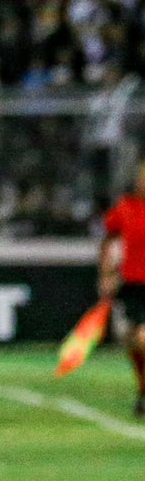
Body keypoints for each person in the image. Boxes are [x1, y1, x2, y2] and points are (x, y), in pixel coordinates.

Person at [98, 163, 145, 417]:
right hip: (133, 284)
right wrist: (106, 275)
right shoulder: (125, 209)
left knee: (141, 338)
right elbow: (109, 242)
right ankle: (142, 390)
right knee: (133, 342)